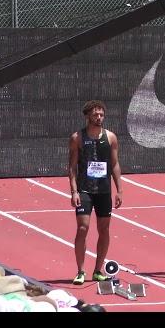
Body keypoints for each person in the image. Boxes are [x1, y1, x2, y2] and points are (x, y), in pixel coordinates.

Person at [68, 100, 123, 285]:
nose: (99, 117)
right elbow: (72, 167)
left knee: (104, 229)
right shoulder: (77, 137)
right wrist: (74, 191)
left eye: (101, 114)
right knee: (82, 228)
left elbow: (114, 164)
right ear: (87, 116)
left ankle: (98, 270)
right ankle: (80, 271)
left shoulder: (111, 137)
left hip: (104, 190)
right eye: (95, 115)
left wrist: (119, 190)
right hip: (84, 189)